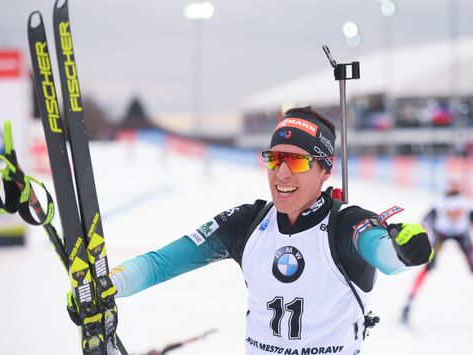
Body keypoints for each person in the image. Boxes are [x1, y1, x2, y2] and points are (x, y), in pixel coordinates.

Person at [83, 107, 433, 354]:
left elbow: (386, 256)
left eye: (295, 161)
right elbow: (161, 263)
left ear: (325, 170)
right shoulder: (247, 223)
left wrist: (404, 247)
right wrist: (109, 285)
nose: (281, 174)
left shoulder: (345, 224)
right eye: (274, 158)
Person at [400, 182, 473, 327]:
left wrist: (424, 242)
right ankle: (407, 305)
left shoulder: (453, 203)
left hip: (457, 235)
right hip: (443, 234)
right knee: (429, 267)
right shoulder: (453, 203)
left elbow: (423, 225)